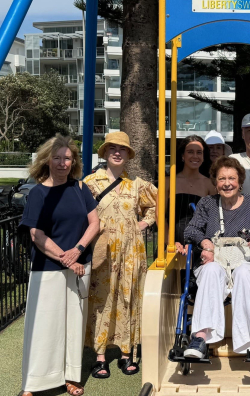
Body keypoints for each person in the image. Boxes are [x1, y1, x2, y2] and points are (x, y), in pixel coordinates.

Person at [20, 135, 101, 396]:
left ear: (73, 161)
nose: (62, 163)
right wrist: (65, 258)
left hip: (79, 267)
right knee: (44, 326)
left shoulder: (80, 189)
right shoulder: (37, 193)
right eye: (57, 157)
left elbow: (94, 223)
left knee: (73, 325)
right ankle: (32, 384)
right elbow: (36, 234)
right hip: (48, 269)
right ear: (46, 160)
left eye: (67, 158)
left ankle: (70, 377)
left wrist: (77, 252)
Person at [182, 156, 250, 360]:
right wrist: (204, 243)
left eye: (231, 178)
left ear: (240, 181)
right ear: (215, 182)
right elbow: (190, 230)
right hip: (216, 262)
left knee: (244, 272)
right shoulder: (207, 204)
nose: (227, 183)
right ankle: (200, 338)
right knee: (210, 270)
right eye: (221, 179)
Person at [84, 131, 158, 379]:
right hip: (103, 251)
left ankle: (128, 354)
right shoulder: (90, 183)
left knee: (129, 298)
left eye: (122, 149)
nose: (117, 152)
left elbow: (157, 204)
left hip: (130, 251)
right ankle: (100, 357)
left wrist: (144, 223)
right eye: (112, 148)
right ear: (104, 152)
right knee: (102, 300)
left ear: (128, 155)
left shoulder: (136, 185)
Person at [168, 135, 216, 256]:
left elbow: (213, 219)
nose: (195, 156)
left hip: (200, 248)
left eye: (199, 152)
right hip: (170, 246)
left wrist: (202, 243)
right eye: (190, 152)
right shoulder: (168, 182)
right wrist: (171, 242)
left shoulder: (210, 184)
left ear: (204, 157)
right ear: (183, 156)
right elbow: (159, 216)